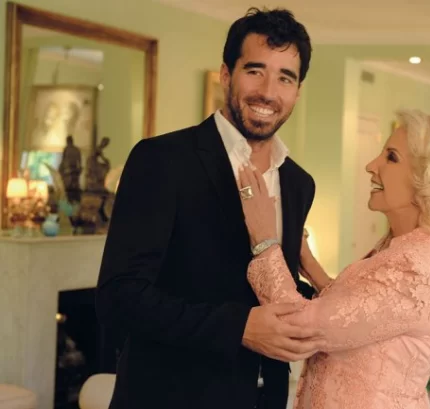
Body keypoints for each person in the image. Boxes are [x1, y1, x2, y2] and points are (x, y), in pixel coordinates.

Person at [96, 7, 322, 409]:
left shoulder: (299, 184)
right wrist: (240, 328)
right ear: (226, 74)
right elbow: (120, 296)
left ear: (298, 91)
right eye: (255, 70)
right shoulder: (161, 160)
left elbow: (270, 288)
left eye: (285, 78)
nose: (268, 91)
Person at [237, 109, 430, 408]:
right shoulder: (401, 247)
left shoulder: (418, 265)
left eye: (391, 157)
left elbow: (297, 327)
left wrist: (264, 238)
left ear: (429, 179)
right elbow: (356, 316)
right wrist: (309, 263)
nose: (371, 166)